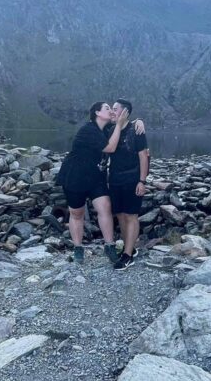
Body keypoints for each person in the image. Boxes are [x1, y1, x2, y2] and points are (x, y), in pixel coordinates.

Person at [55, 102, 130, 265]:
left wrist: (138, 122)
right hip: (75, 176)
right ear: (97, 112)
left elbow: (125, 128)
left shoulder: (107, 129)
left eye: (112, 109)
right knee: (77, 213)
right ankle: (78, 248)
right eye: (107, 108)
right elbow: (110, 148)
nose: (111, 111)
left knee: (105, 207)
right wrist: (117, 124)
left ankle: (109, 246)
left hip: (96, 176)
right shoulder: (88, 130)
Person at [107, 98, 149, 269]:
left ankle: (127, 255)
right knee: (120, 215)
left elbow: (143, 156)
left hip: (132, 178)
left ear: (125, 112)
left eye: (115, 109)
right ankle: (128, 248)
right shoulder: (110, 130)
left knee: (131, 215)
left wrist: (142, 181)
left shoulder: (136, 130)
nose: (112, 112)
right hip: (115, 178)